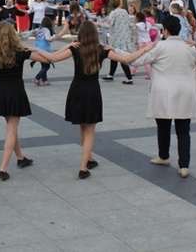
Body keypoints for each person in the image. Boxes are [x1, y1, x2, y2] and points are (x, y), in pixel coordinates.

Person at [35, 21, 149, 179]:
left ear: (81, 34)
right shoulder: (101, 50)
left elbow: (53, 57)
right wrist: (147, 48)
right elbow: (127, 59)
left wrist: (37, 49)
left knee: (82, 127)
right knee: (90, 130)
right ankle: (83, 167)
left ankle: (88, 159)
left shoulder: (75, 49)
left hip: (76, 90)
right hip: (92, 92)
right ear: (95, 35)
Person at [129, 15, 196, 177]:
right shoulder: (188, 47)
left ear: (166, 31)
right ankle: (184, 165)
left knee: (163, 126)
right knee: (183, 129)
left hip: (163, 91)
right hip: (186, 90)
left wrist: (144, 49)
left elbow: (136, 61)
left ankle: (164, 156)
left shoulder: (159, 47)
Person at [0, 22, 50, 180]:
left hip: (2, 92)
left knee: (11, 128)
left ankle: (21, 158)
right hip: (16, 92)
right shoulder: (20, 52)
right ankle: (3, 168)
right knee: (11, 130)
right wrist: (37, 49)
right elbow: (46, 60)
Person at [101, 0, 137, 84]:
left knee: (120, 57)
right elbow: (129, 23)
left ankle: (129, 77)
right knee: (114, 56)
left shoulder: (113, 13)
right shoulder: (124, 11)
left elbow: (109, 25)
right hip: (124, 37)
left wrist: (100, 24)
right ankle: (110, 74)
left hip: (116, 38)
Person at [32, 17, 69, 86]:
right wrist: (54, 37)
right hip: (45, 50)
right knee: (47, 66)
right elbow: (48, 38)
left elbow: (34, 34)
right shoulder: (46, 30)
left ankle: (44, 80)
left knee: (43, 65)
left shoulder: (38, 29)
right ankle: (37, 77)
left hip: (37, 50)